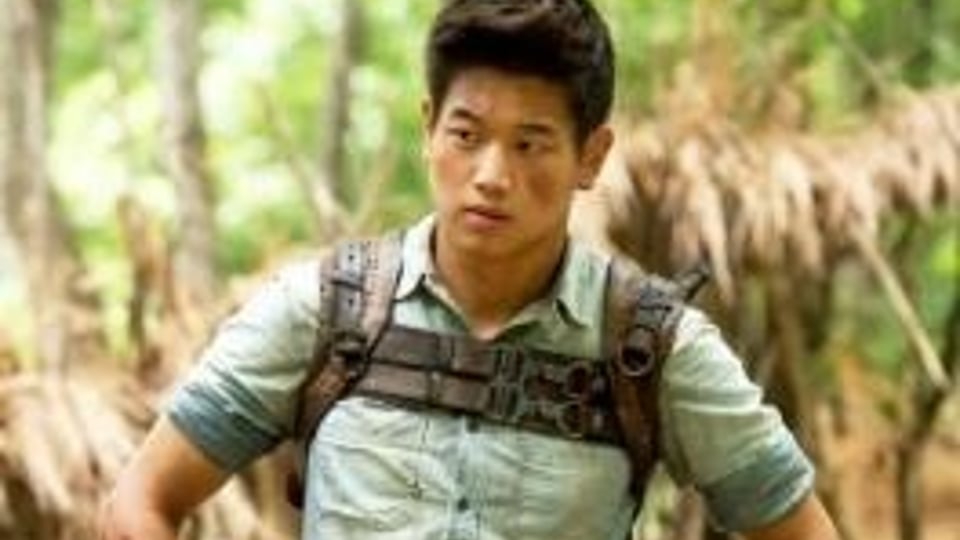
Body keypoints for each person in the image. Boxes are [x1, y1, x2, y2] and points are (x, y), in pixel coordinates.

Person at [100, 1, 839, 539]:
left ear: (591, 157)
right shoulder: (325, 310)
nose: (490, 175)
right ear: (429, 130)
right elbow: (140, 501)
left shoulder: (649, 348)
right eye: (467, 134)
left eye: (530, 144)